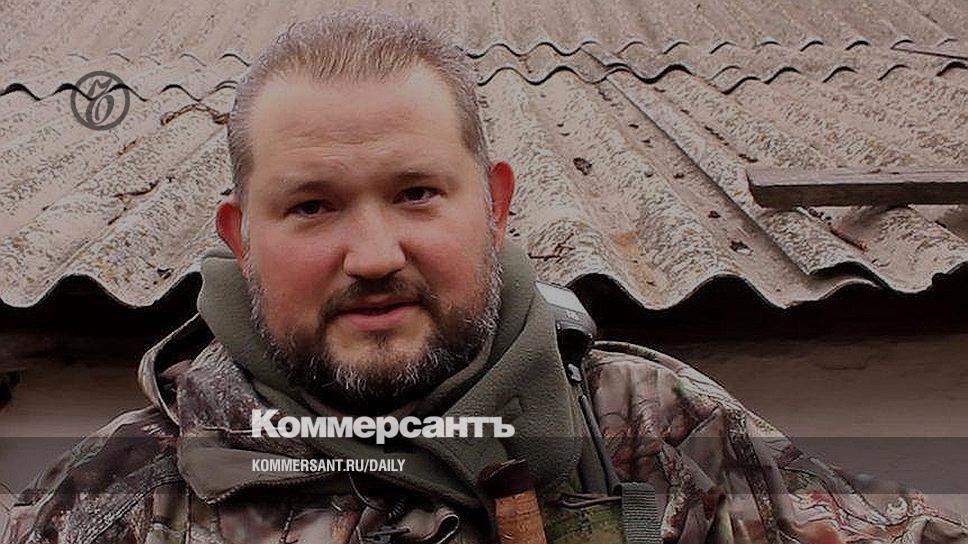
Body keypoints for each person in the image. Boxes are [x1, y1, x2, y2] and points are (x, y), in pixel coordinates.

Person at [2, 10, 966, 544]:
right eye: (312, 206)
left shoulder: (661, 431)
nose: (373, 255)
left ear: (496, 205)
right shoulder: (111, 494)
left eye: (417, 192)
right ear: (240, 238)